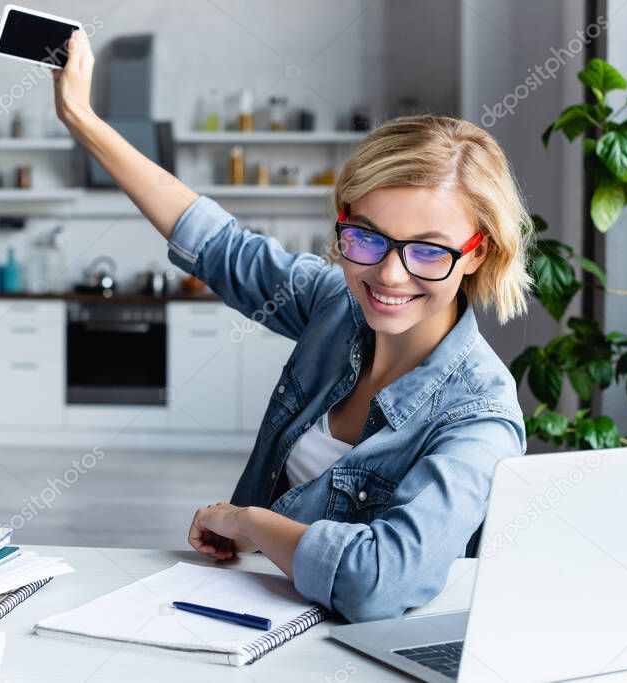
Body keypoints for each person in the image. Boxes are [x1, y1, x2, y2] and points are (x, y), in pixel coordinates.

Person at [52, 29, 531, 622]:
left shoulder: (480, 415)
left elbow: (378, 582)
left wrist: (248, 521)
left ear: (479, 252)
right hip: (237, 615)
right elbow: (216, 242)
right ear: (343, 222)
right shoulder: (337, 304)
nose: (389, 274)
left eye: (430, 250)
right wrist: (81, 117)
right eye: (366, 237)